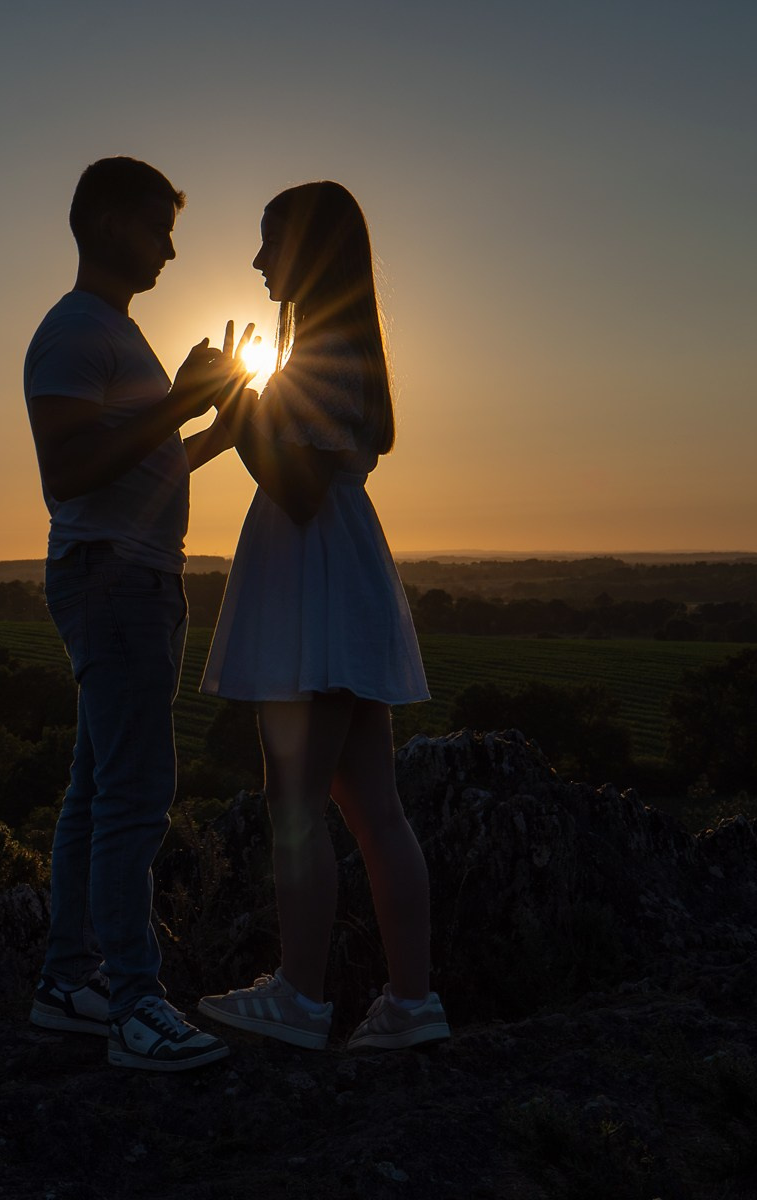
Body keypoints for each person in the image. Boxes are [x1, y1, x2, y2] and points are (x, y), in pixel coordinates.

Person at [194, 181, 449, 1052]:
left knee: (296, 799)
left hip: (315, 584)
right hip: (342, 578)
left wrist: (237, 404)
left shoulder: (319, 358)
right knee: (372, 803)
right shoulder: (347, 352)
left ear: (306, 249)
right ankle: (411, 1003)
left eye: (270, 243)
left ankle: (302, 996)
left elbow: (294, 487)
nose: (259, 261)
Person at [22, 156, 251, 1072]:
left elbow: (128, 466)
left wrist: (206, 438)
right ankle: (133, 1005)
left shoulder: (109, 331)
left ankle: (66, 983)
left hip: (128, 573)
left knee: (95, 790)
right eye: (159, 226)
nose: (168, 248)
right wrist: (179, 404)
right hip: (114, 582)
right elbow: (66, 477)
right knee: (134, 798)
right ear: (113, 222)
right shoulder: (74, 332)